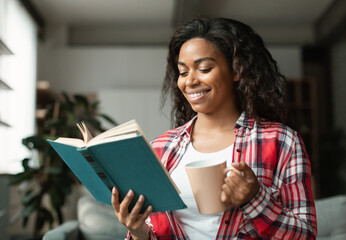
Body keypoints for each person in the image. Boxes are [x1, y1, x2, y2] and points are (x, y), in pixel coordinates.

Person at [111, 17, 317, 240]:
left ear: (236, 71)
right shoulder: (162, 147)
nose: (190, 81)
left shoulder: (282, 141)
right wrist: (138, 231)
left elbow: (305, 235)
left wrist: (255, 199)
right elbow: (155, 232)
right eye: (183, 72)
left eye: (205, 68)